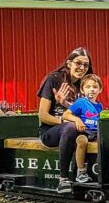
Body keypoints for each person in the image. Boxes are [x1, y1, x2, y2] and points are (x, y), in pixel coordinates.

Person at [36, 47, 95, 192]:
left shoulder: (86, 84)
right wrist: (66, 121)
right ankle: (63, 179)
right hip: (51, 131)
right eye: (78, 63)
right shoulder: (55, 79)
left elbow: (86, 112)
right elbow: (42, 115)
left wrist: (65, 104)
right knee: (70, 128)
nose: (82, 68)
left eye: (85, 65)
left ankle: (85, 173)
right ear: (69, 63)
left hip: (79, 128)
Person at [63, 73, 103, 186]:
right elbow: (66, 115)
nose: (92, 90)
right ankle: (80, 172)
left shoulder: (100, 106)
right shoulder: (80, 103)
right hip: (83, 132)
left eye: (95, 87)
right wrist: (77, 120)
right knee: (82, 141)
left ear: (100, 90)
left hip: (96, 133)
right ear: (82, 89)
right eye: (88, 87)